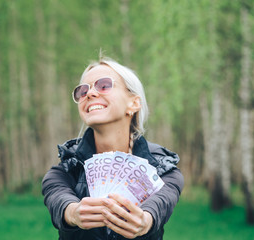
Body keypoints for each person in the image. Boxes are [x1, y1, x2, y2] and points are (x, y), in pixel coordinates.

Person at [42, 56, 184, 240]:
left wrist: (144, 221)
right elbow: (58, 199)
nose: (90, 94)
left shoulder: (165, 171)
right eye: (82, 91)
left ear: (134, 103)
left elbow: (160, 205)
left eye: (103, 85)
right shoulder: (64, 172)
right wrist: (74, 213)